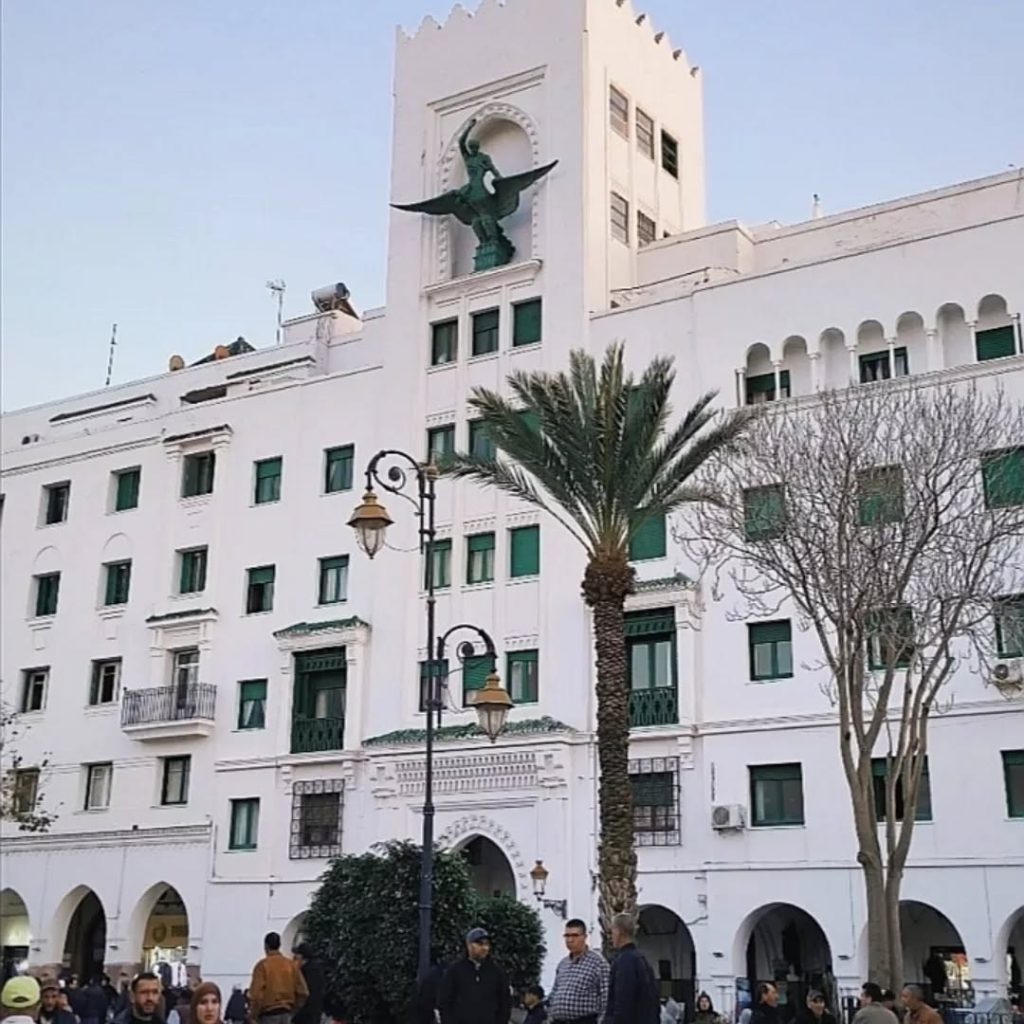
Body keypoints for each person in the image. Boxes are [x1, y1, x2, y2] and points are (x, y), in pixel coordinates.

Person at [438, 928, 511, 1024]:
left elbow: (505, 1002)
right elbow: (444, 1002)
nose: (484, 948)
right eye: (480, 944)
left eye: (487, 944)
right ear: (468, 945)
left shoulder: (497, 973)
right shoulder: (455, 971)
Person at [547, 919, 609, 1024]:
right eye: (567, 936)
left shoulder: (598, 963)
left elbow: (606, 999)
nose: (570, 940)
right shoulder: (563, 964)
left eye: (574, 936)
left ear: (584, 937)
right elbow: (554, 993)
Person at [605, 914, 659, 1024]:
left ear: (618, 932)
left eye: (612, 932)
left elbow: (623, 1002)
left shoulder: (624, 962)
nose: (611, 937)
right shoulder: (642, 960)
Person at [248, 932, 308, 1024]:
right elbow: (303, 992)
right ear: (279, 945)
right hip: (286, 1013)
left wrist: (253, 1015)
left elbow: (256, 995)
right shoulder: (291, 965)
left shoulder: (262, 966)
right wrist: (293, 1010)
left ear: (266, 946)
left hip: (268, 1015)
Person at [290, 946, 324, 1024]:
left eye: (296, 956)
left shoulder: (303, 972)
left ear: (302, 957)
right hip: (315, 1013)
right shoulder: (318, 970)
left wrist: (295, 1015)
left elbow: (303, 994)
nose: (293, 958)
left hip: (304, 1015)